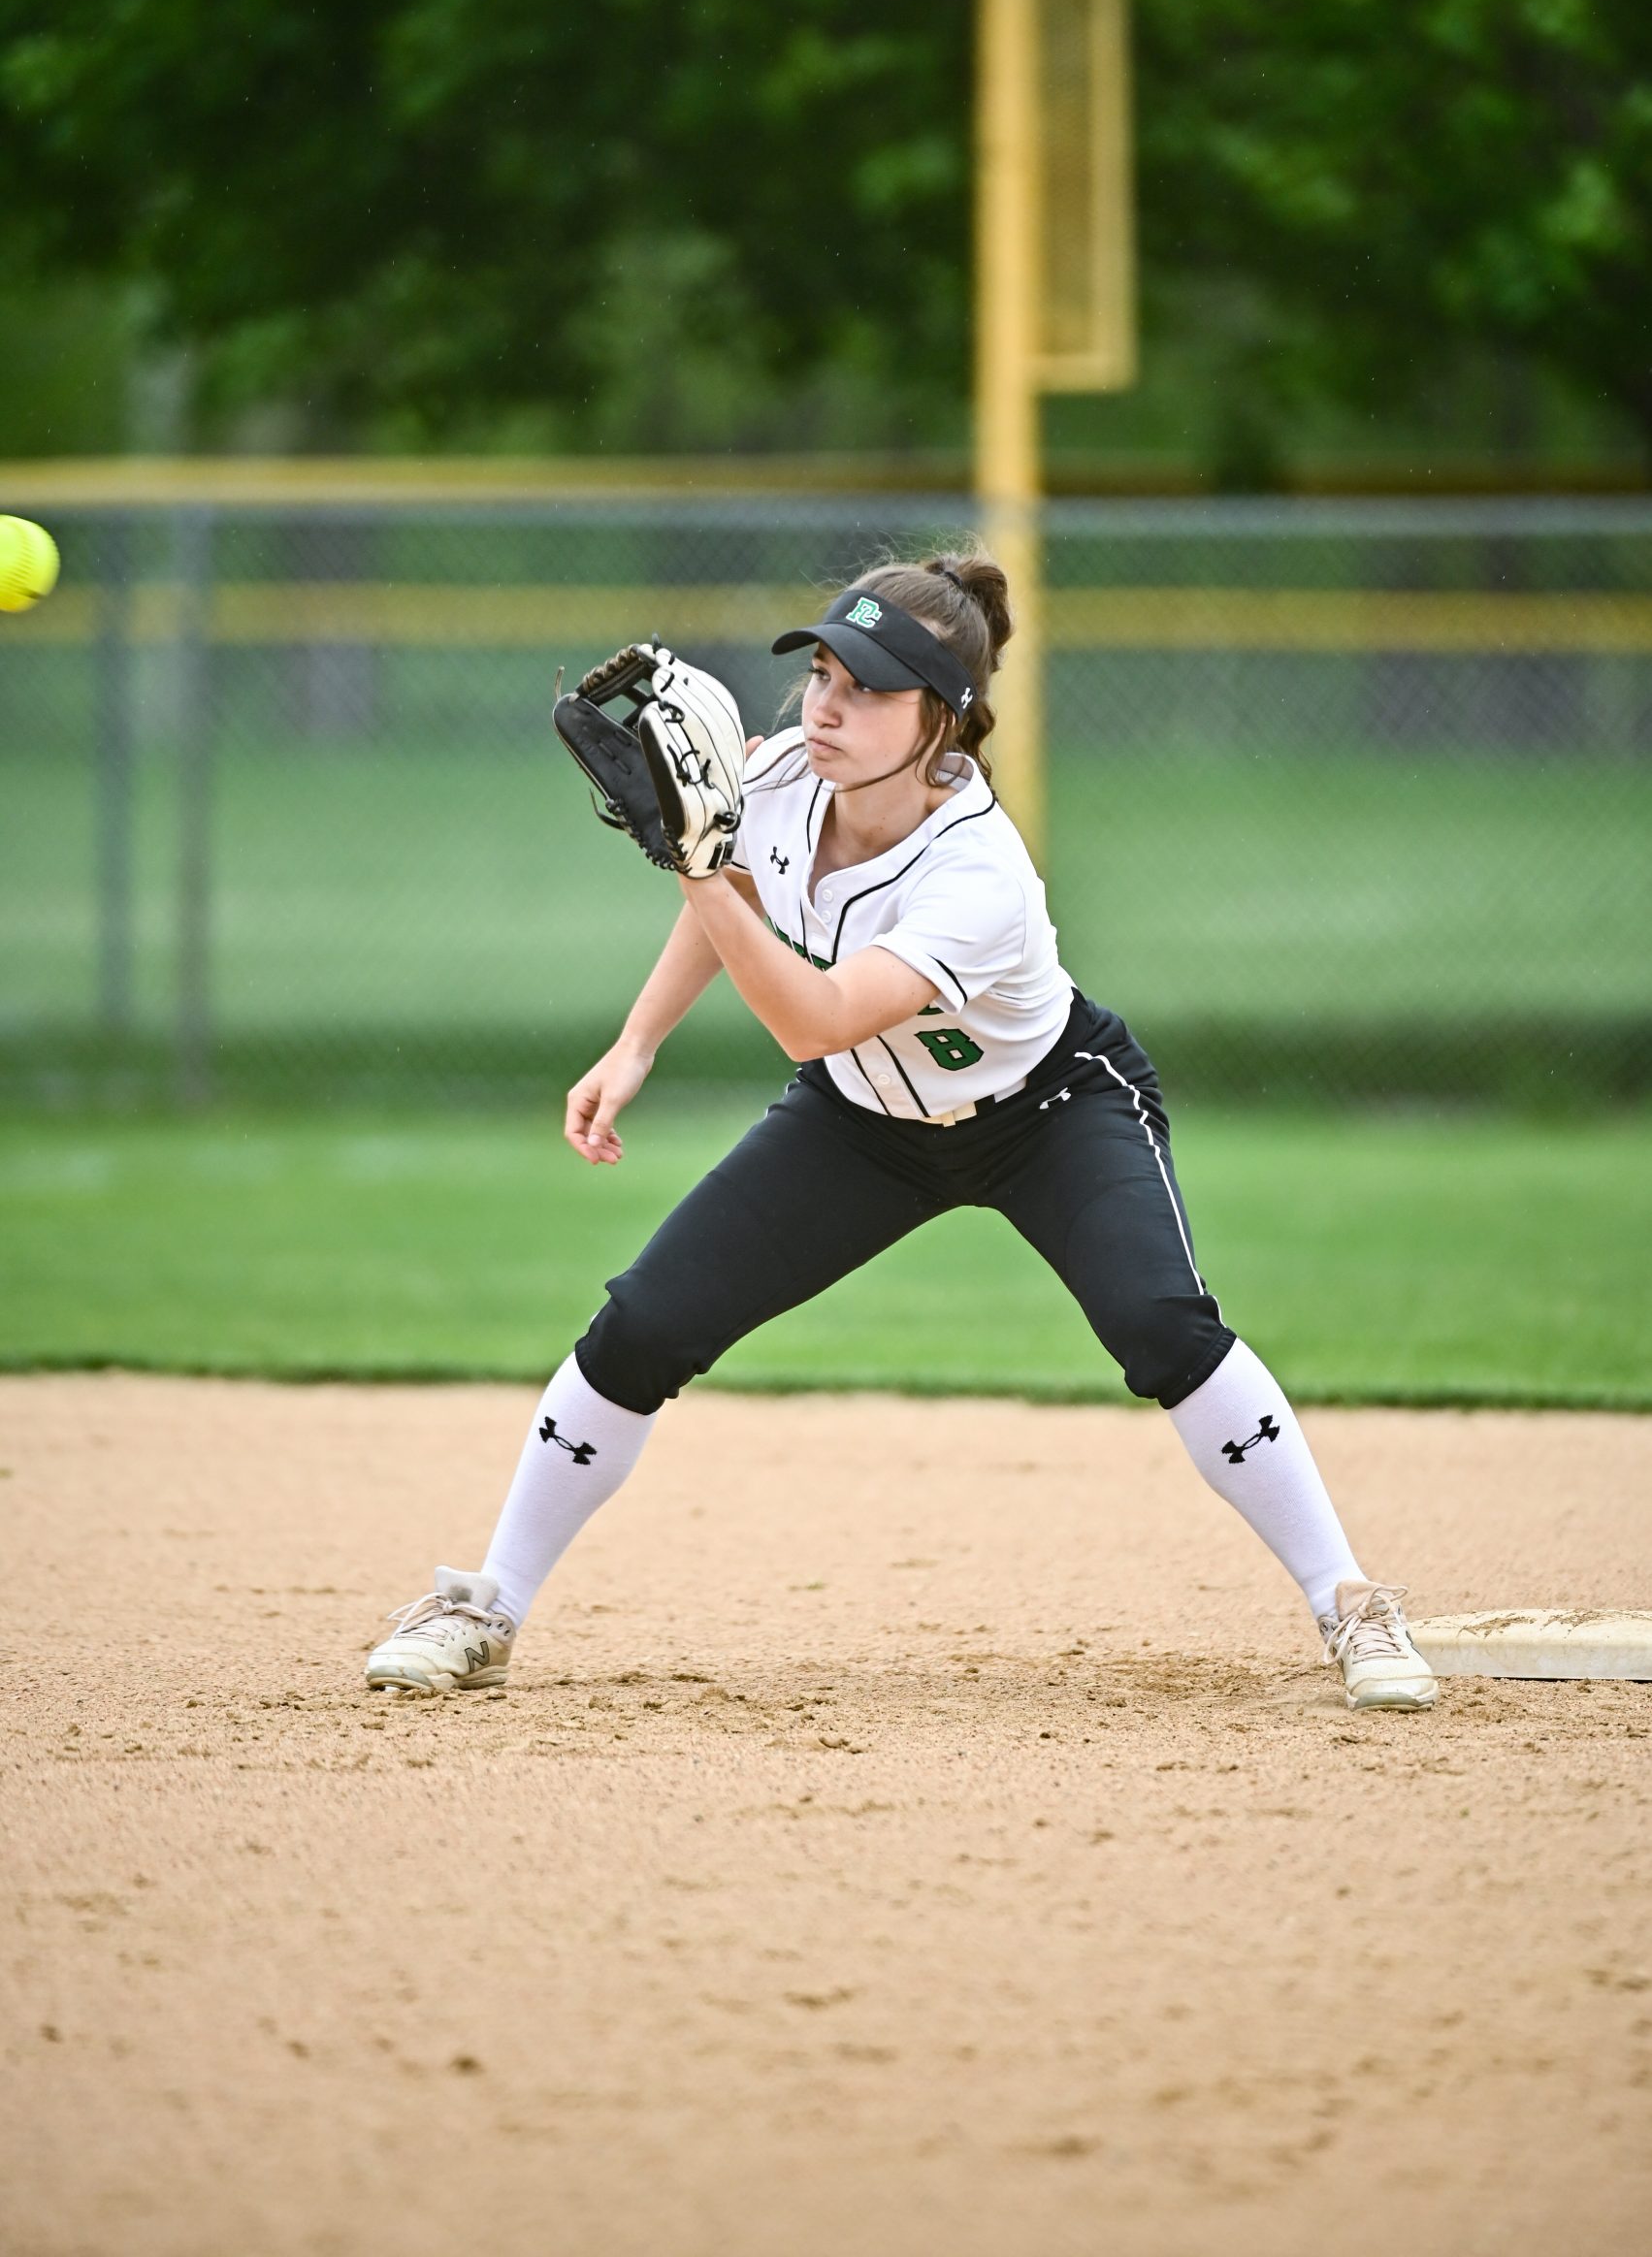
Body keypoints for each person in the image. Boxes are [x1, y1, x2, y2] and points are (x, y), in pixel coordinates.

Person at [366, 553, 1438, 1712]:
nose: (825, 705)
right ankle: (487, 1607)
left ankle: (1349, 1603)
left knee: (1160, 1324)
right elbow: (741, 894)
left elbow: (810, 1017)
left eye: (867, 688)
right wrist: (636, 1043)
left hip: (1048, 1110)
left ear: (945, 720)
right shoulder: (779, 779)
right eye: (821, 672)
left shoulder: (977, 871)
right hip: (864, 1122)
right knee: (645, 1322)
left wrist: (693, 870)